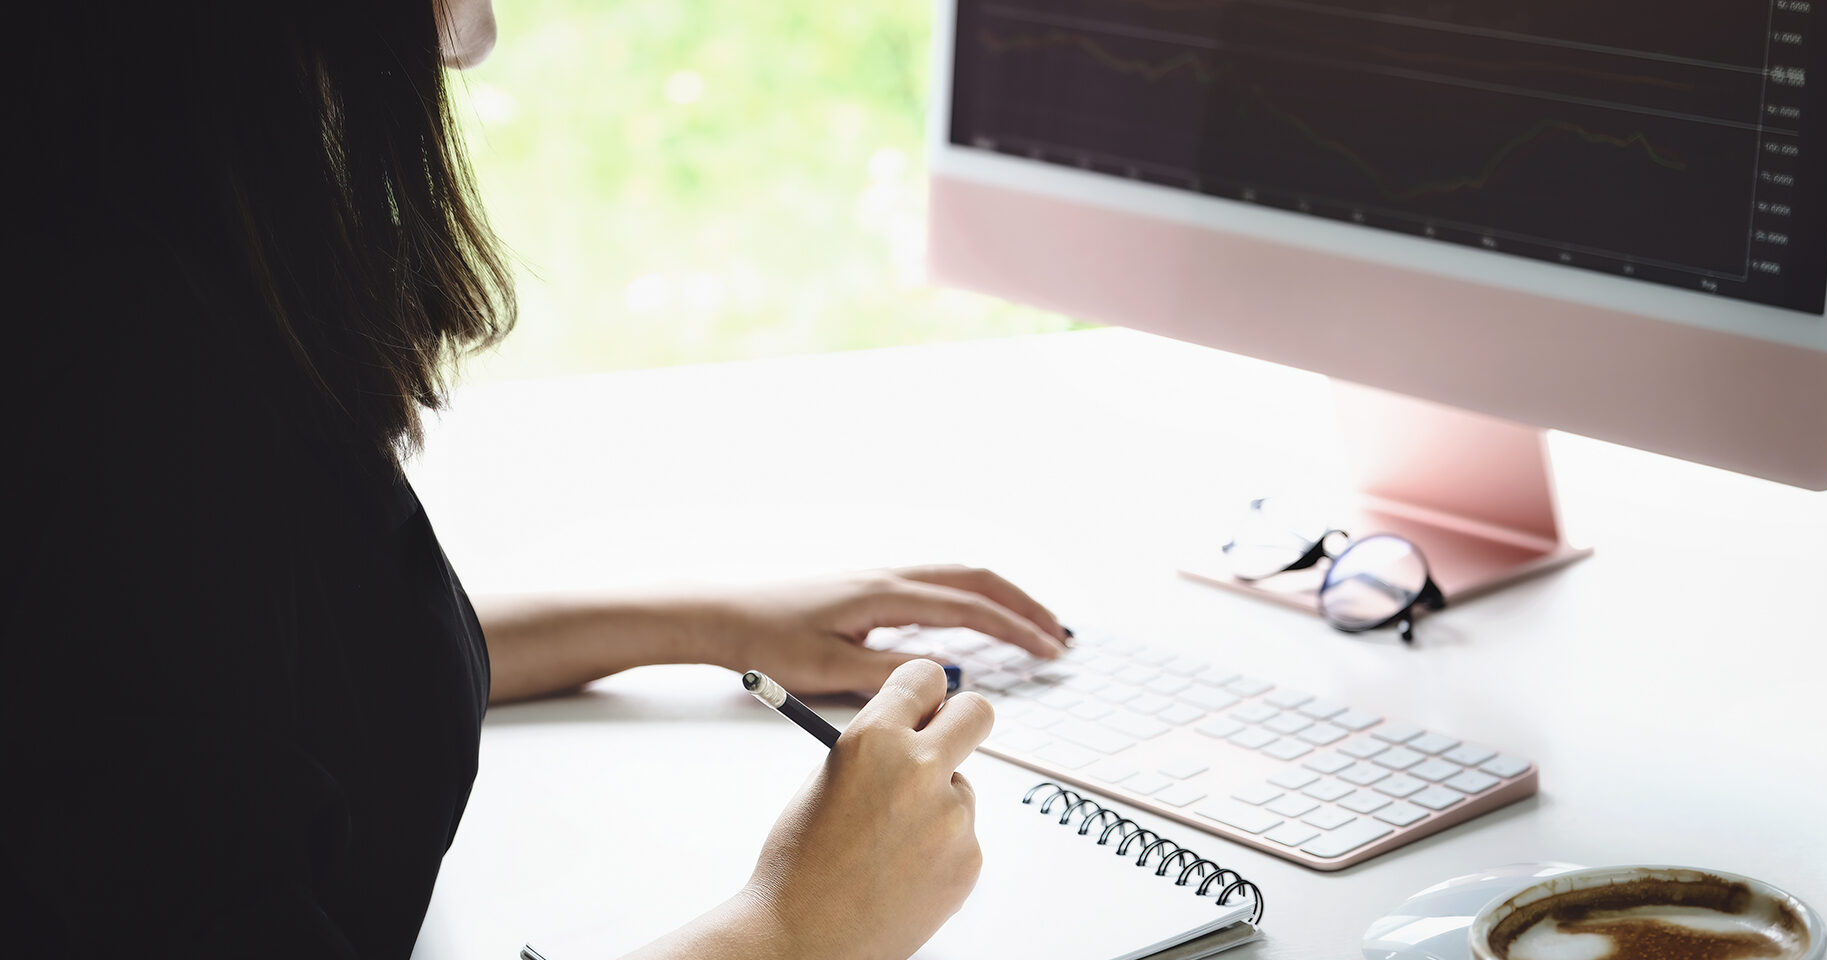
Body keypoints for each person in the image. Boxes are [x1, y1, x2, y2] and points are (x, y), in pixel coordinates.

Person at [2, 2, 1069, 957]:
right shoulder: (117, 419)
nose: (473, 34)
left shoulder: (121, 271)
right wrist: (799, 926)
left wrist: (703, 622)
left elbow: (238, 699)